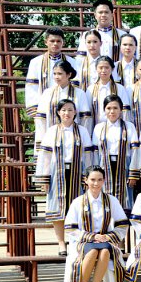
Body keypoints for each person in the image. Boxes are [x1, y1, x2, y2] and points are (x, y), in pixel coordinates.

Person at [34, 99, 94, 255]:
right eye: (63, 110)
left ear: (75, 112)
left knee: (79, 207)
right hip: (57, 171)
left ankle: (77, 240)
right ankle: (61, 243)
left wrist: (89, 176)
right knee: (58, 208)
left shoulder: (82, 131)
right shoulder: (52, 131)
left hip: (77, 171)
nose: (67, 113)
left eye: (70, 110)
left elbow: (88, 155)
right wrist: (44, 178)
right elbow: (45, 156)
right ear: (58, 112)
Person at [64, 165, 129, 282]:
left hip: (106, 241)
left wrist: (108, 236)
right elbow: (70, 228)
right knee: (93, 251)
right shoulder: (78, 202)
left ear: (104, 181)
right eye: (92, 179)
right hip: (83, 241)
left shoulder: (111, 200)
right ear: (86, 180)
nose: (96, 183)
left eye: (100, 180)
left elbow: (123, 224)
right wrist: (91, 237)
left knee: (105, 251)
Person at [91, 94, 140, 212]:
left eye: (115, 108)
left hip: (124, 165)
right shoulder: (99, 128)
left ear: (121, 110)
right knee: (105, 197)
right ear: (104, 110)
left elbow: (135, 151)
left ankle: (124, 227)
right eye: (108, 108)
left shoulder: (129, 126)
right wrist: (95, 171)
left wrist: (133, 173)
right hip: (104, 164)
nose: (112, 111)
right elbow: (95, 152)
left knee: (125, 198)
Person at [34, 60, 92, 149]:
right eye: (54, 74)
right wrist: (43, 139)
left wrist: (83, 138)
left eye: (60, 74)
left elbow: (85, 119)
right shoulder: (47, 93)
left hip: (74, 138)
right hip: (53, 137)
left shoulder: (79, 93)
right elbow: (41, 119)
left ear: (69, 74)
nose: (56, 77)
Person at [25, 27, 76, 117]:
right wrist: (36, 110)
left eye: (58, 41)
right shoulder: (36, 62)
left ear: (63, 42)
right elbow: (31, 88)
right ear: (46, 42)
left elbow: (76, 86)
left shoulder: (72, 62)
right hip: (45, 108)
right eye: (52, 41)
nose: (55, 44)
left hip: (66, 109)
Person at [87, 55, 131, 125]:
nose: (103, 71)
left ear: (112, 69)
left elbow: (125, 112)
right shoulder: (90, 89)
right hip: (97, 128)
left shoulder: (120, 88)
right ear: (96, 69)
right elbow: (88, 112)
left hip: (117, 127)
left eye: (107, 67)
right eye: (100, 68)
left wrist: (124, 128)